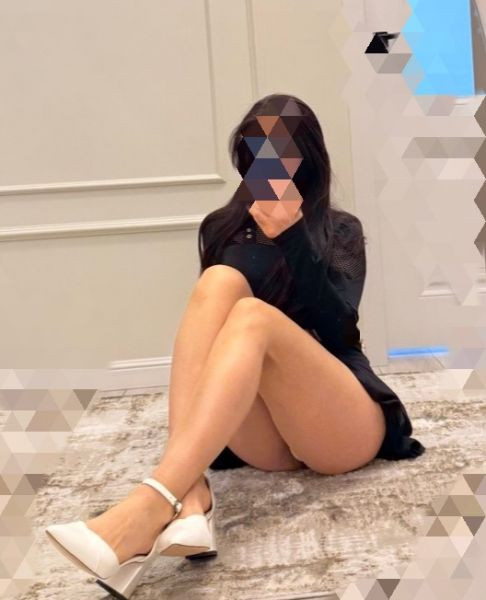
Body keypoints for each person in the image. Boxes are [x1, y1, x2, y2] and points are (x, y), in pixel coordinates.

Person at [45, 93, 425, 597]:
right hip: (265, 434)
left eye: (282, 149)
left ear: (307, 157)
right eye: (256, 147)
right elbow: (207, 337)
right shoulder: (220, 228)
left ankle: (153, 504)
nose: (268, 162)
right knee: (218, 283)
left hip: (339, 421)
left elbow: (339, 330)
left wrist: (293, 237)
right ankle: (190, 495)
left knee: (251, 316)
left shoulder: (340, 230)